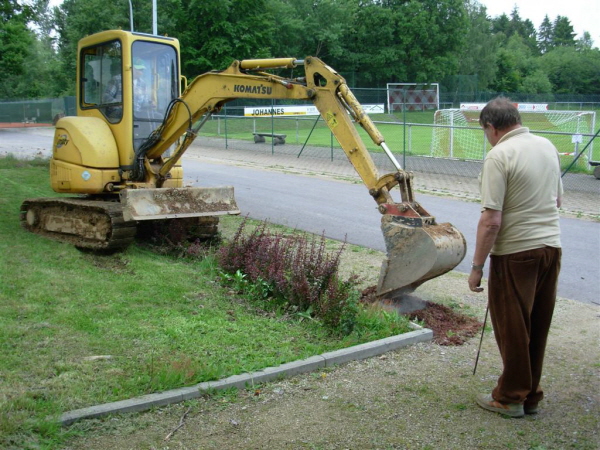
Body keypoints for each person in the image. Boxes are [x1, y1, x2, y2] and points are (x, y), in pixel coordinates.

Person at [468, 97, 563, 418]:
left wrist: (477, 267)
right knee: (537, 324)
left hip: (515, 252)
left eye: (485, 131)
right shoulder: (547, 146)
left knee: (512, 327)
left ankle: (510, 398)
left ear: (492, 128)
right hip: (551, 248)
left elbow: (491, 220)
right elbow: (558, 200)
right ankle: (530, 395)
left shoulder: (499, 155)